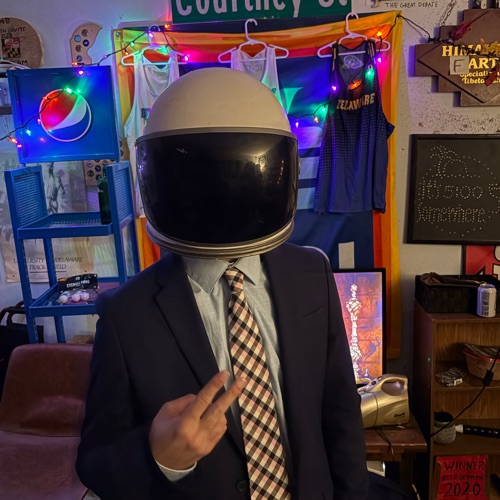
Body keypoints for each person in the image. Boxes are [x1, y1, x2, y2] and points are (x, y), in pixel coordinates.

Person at [76, 68, 370, 499]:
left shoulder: (312, 275)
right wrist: (159, 456)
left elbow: (340, 411)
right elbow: (95, 463)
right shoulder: (127, 315)